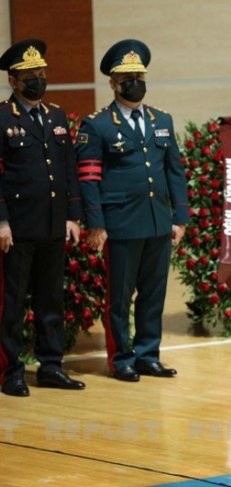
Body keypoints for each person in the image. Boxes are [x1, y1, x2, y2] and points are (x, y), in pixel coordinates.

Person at [75, 39, 188, 382]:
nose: (134, 83)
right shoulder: (98, 125)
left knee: (154, 294)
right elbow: (89, 178)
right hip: (121, 223)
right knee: (120, 298)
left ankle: (147, 355)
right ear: (113, 83)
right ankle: (121, 358)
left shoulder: (161, 119)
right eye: (127, 78)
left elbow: (174, 171)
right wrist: (96, 223)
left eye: (139, 76)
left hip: (158, 221)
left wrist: (180, 217)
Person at [0, 39, 84, 397]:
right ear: (13, 81)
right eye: (29, 75)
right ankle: (11, 372)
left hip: (53, 223)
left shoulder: (56, 116)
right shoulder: (3, 117)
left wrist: (73, 216)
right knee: (13, 304)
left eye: (41, 73)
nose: (38, 79)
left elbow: (68, 168)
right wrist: (2, 221)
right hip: (18, 228)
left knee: (51, 301)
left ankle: (51, 366)